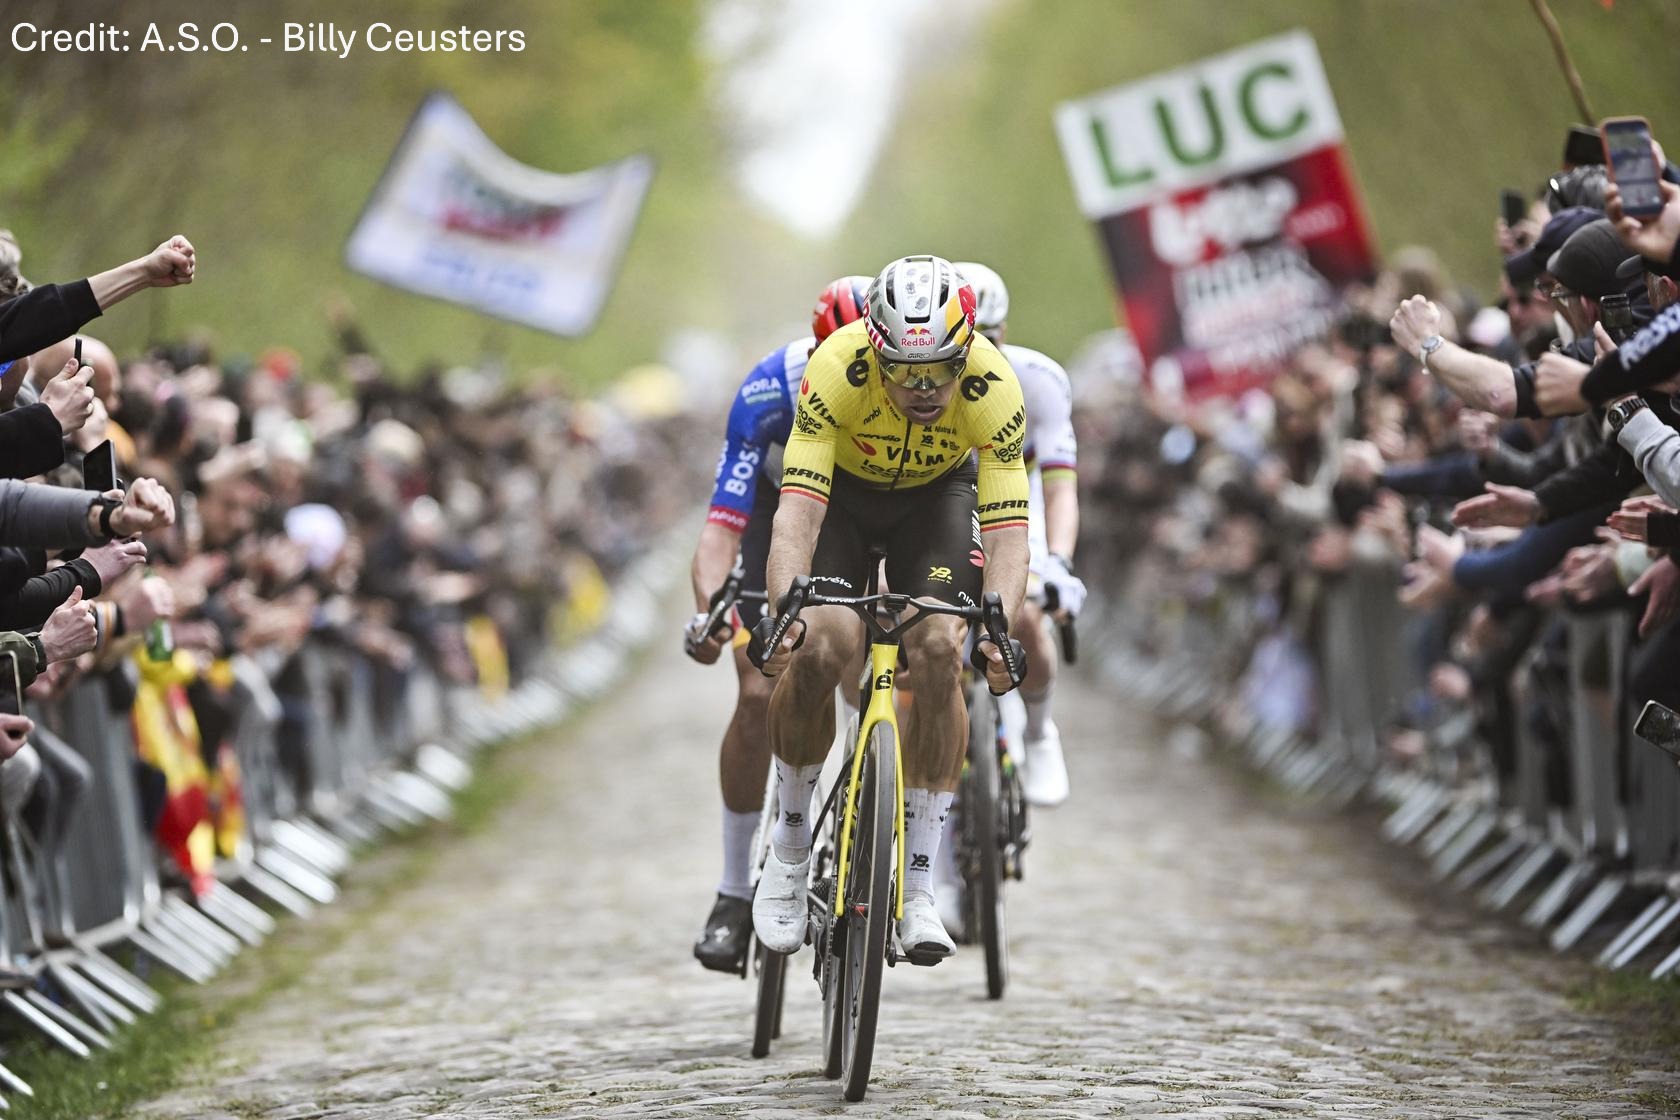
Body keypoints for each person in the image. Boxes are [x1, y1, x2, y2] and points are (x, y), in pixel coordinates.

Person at [749, 254, 1030, 961]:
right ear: (875, 351)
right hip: (841, 495)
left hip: (935, 501)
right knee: (821, 645)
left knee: (942, 648)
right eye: (905, 373)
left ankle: (923, 884)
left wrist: (998, 630)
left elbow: (1007, 533)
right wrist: (785, 609)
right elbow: (797, 515)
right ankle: (787, 845)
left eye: (941, 368)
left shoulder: (993, 386)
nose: (926, 388)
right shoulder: (836, 370)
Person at [683, 275, 870, 973]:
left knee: (867, 653)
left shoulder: (900, 384)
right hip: (775, 517)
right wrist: (708, 609)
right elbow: (721, 531)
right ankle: (734, 893)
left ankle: (866, 801)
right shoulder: (771, 389)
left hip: (859, 516)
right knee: (761, 690)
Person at [955, 262, 1084, 807]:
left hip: (1015, 503)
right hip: (949, 504)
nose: (980, 350)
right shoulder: (921, 380)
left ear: (1005, 333)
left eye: (991, 336)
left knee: (1025, 611)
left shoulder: (1038, 380)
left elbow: (1058, 486)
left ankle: (1038, 732)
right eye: (968, 339)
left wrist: (1058, 561)